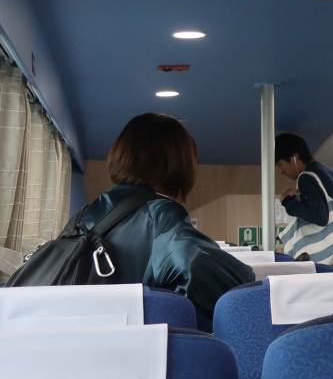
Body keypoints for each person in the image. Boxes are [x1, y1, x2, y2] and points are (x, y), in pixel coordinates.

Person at [68, 113, 253, 321]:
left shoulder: (86, 214)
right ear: (179, 164)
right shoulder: (159, 214)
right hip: (136, 334)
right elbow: (202, 268)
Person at [275, 133, 333, 263]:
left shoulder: (307, 178)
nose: (281, 171)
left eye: (280, 164)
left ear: (295, 158)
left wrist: (287, 201)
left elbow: (319, 217)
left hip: (332, 259)